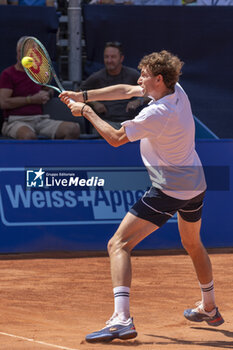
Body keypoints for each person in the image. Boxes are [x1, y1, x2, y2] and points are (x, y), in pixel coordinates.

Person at [59, 50, 224, 343]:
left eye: (145, 75)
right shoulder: (177, 90)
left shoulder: (157, 113)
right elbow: (125, 90)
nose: (140, 80)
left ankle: (121, 319)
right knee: (192, 243)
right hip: (195, 184)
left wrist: (86, 111)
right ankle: (209, 307)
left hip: (169, 189)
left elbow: (115, 138)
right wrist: (83, 95)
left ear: (158, 79)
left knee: (118, 244)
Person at [0, 37, 80, 140]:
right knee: (28, 136)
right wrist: (31, 99)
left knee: (73, 129)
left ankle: (59, 156)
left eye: (27, 51)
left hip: (40, 120)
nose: (22, 55)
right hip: (16, 121)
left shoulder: (38, 73)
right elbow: (3, 102)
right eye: (20, 51)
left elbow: (48, 89)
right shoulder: (8, 74)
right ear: (17, 52)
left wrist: (47, 94)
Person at [81, 41, 149, 131]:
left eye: (113, 57)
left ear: (121, 58)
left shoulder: (132, 75)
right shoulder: (97, 77)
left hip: (130, 122)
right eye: (106, 57)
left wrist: (139, 101)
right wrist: (94, 103)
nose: (109, 61)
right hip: (105, 123)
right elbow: (79, 92)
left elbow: (152, 92)